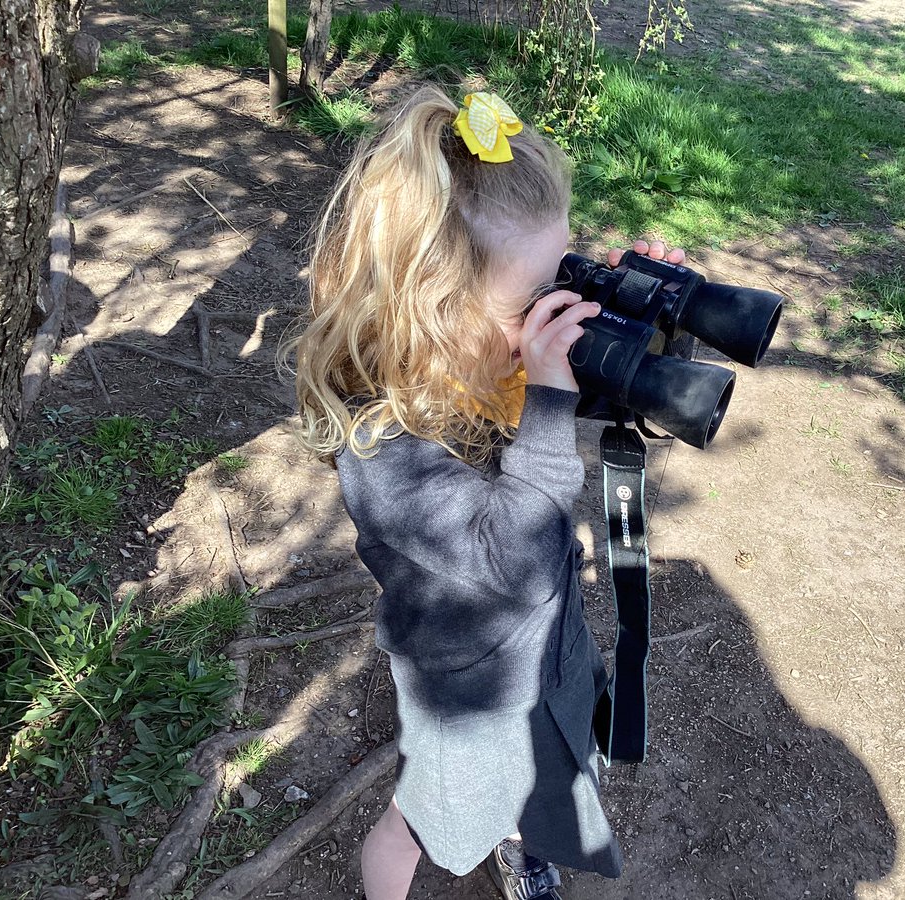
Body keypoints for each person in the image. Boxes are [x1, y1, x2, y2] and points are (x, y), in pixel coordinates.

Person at [289, 85, 685, 900]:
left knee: (545, 770)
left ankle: (523, 838)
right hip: (468, 690)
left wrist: (640, 321)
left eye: (560, 274)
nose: (548, 313)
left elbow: (584, 402)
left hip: (546, 650)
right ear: (433, 307)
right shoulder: (383, 445)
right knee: (421, 824)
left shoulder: (483, 356)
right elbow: (515, 562)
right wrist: (546, 397)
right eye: (530, 301)